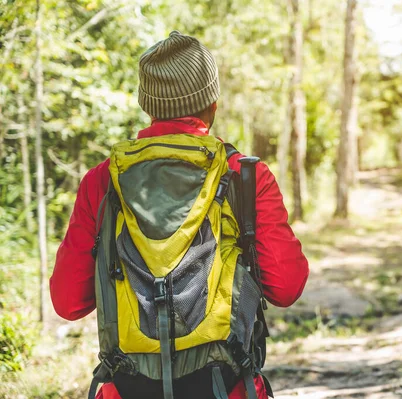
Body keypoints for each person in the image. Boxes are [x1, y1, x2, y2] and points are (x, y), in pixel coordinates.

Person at [49, 31, 309, 399]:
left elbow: (68, 302)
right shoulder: (242, 177)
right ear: (212, 103)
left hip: (127, 389)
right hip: (225, 387)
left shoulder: (103, 181)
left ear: (147, 106)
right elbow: (286, 286)